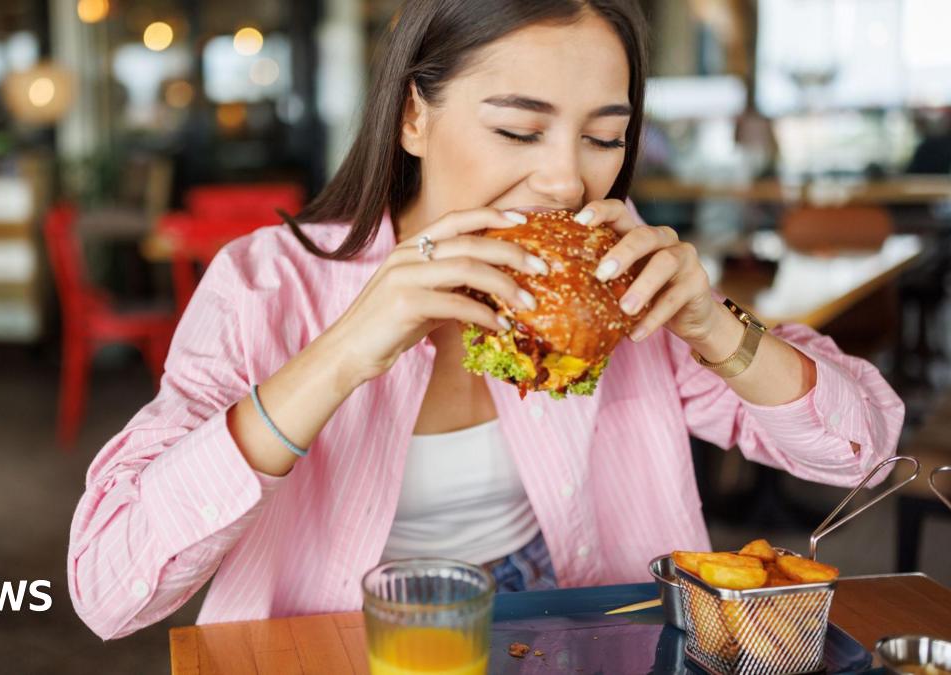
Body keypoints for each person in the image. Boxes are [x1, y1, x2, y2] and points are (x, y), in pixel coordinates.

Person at [68, 0, 904, 640]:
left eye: (605, 140)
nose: (565, 181)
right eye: (518, 128)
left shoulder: (620, 291)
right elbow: (109, 587)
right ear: (412, 118)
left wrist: (715, 326)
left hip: (572, 628)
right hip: (339, 636)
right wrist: (344, 351)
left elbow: (859, 450)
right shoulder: (262, 285)